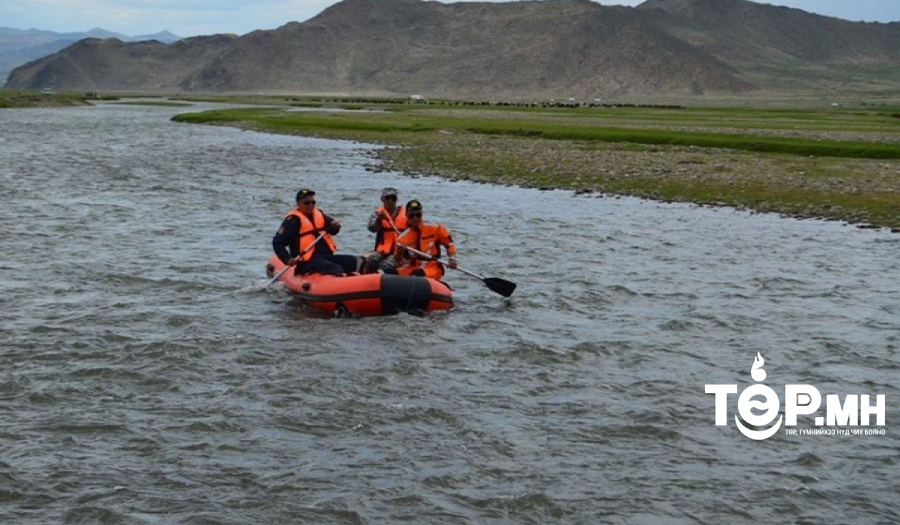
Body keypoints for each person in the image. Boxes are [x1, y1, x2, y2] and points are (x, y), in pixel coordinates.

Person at [272, 188, 360, 276]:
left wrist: (335, 226)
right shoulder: (292, 221)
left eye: (313, 202)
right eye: (307, 203)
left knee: (351, 261)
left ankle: (355, 278)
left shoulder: (319, 214)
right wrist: (287, 259)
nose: (310, 205)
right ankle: (340, 279)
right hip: (306, 262)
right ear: (298, 204)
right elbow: (277, 243)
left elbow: (332, 229)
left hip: (325, 257)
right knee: (334, 268)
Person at [389, 199, 458, 279]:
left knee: (417, 275)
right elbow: (397, 261)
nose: (415, 218)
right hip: (410, 267)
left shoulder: (435, 229)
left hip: (431, 267)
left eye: (418, 215)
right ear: (406, 216)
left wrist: (452, 258)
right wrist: (400, 253)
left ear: (422, 214)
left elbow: (449, 244)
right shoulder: (401, 239)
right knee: (389, 272)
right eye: (412, 216)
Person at [363, 187, 408, 273]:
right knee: (372, 261)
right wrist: (379, 220)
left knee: (386, 265)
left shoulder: (406, 213)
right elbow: (371, 228)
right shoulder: (378, 213)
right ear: (382, 199)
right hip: (382, 251)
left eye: (393, 198)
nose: (390, 201)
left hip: (399, 253)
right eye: (387, 198)